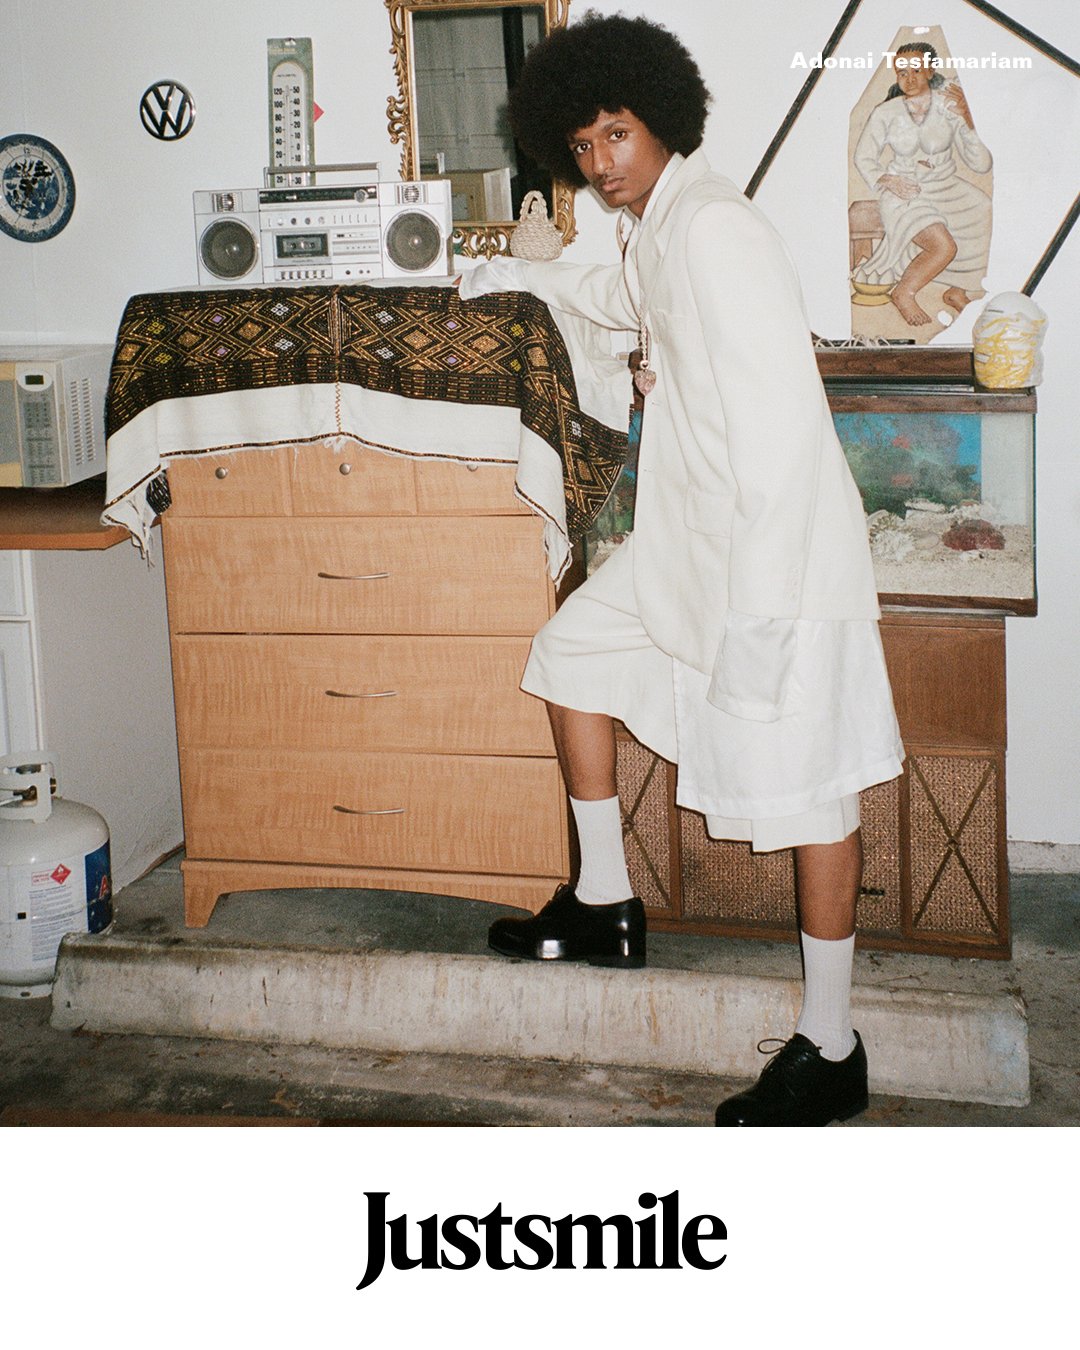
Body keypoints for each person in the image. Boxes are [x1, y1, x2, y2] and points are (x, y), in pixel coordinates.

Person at [459, 12, 904, 1126]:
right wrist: (513, 275)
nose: (601, 163)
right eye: (583, 146)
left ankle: (832, 1043)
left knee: (809, 791)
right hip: (687, 548)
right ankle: (605, 901)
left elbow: (783, 437)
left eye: (616, 134)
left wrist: (763, 618)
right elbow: (622, 301)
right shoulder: (655, 228)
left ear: (662, 120)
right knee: (567, 652)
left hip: (772, 565)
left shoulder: (716, 229)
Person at [852, 41, 993, 326]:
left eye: (916, 70)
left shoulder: (949, 107)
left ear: (930, 71)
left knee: (982, 206)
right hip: (905, 191)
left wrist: (967, 118)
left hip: (945, 186)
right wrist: (888, 180)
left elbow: (981, 164)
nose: (909, 79)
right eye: (902, 73)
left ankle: (958, 289)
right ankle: (904, 292)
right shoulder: (885, 113)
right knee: (944, 247)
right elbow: (863, 157)